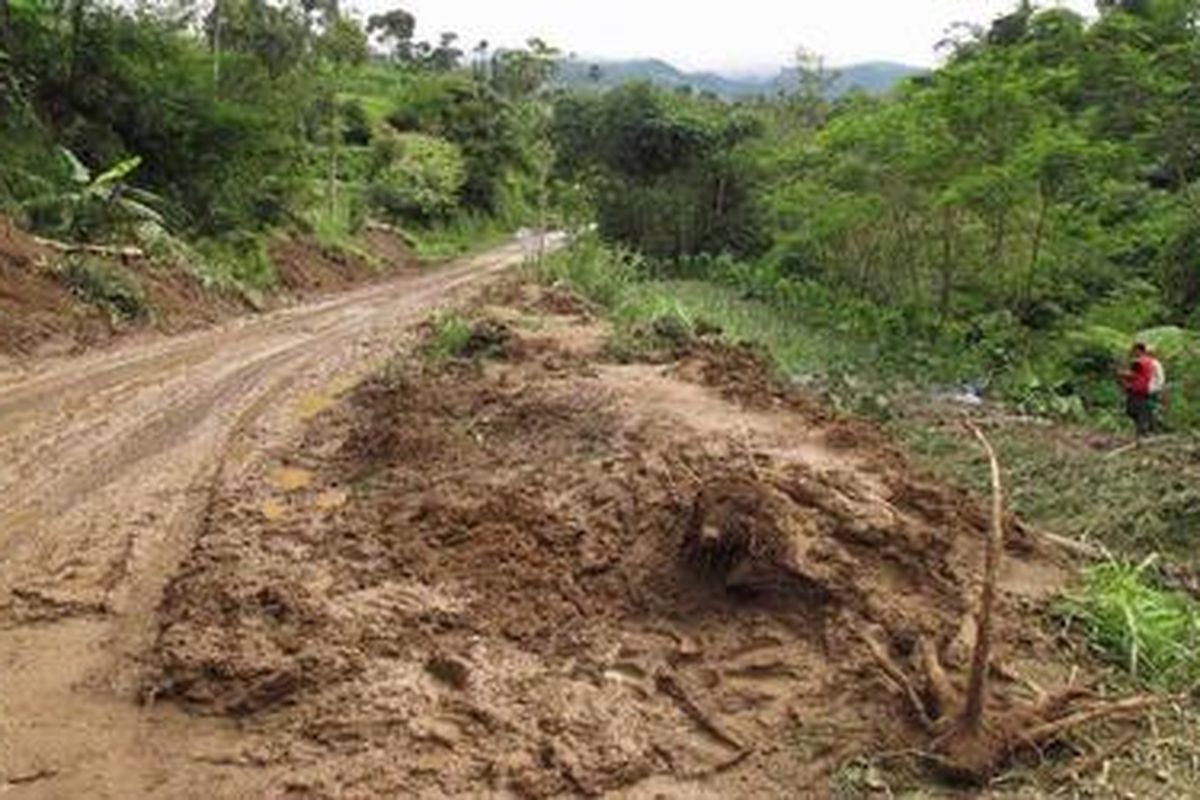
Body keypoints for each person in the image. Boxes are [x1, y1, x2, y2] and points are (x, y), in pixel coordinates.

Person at [1117, 342, 1156, 439]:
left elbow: (1133, 374)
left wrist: (1121, 373)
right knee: (1141, 411)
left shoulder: (1139, 361)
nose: (1134, 353)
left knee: (1133, 411)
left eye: (1135, 351)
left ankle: (1143, 433)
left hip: (1137, 389)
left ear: (1139, 350)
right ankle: (1142, 433)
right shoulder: (1149, 361)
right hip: (1143, 389)